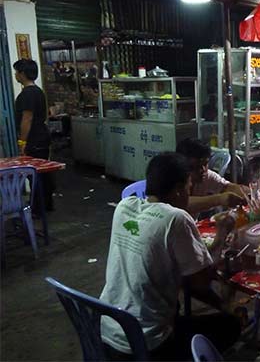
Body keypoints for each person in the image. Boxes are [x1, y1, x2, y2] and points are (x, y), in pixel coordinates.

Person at [100, 152, 240, 361]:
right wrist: (222, 233)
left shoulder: (124, 207)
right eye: (188, 187)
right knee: (232, 326)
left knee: (182, 312)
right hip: (146, 345)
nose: (189, 193)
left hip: (106, 330)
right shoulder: (175, 218)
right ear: (177, 190)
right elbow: (200, 282)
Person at [13, 59, 54, 211]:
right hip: (42, 137)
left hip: (35, 139)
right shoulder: (38, 91)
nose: (16, 75)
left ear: (23, 74)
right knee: (42, 173)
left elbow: (27, 119)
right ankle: (46, 205)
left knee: (35, 174)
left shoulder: (28, 94)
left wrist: (22, 142)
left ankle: (39, 207)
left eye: (17, 72)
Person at [176, 138, 246, 216]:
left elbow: (228, 187)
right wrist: (219, 199)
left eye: (205, 164)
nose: (202, 169)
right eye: (196, 166)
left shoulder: (206, 175)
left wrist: (251, 193)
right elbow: (181, 203)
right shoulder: (171, 179)